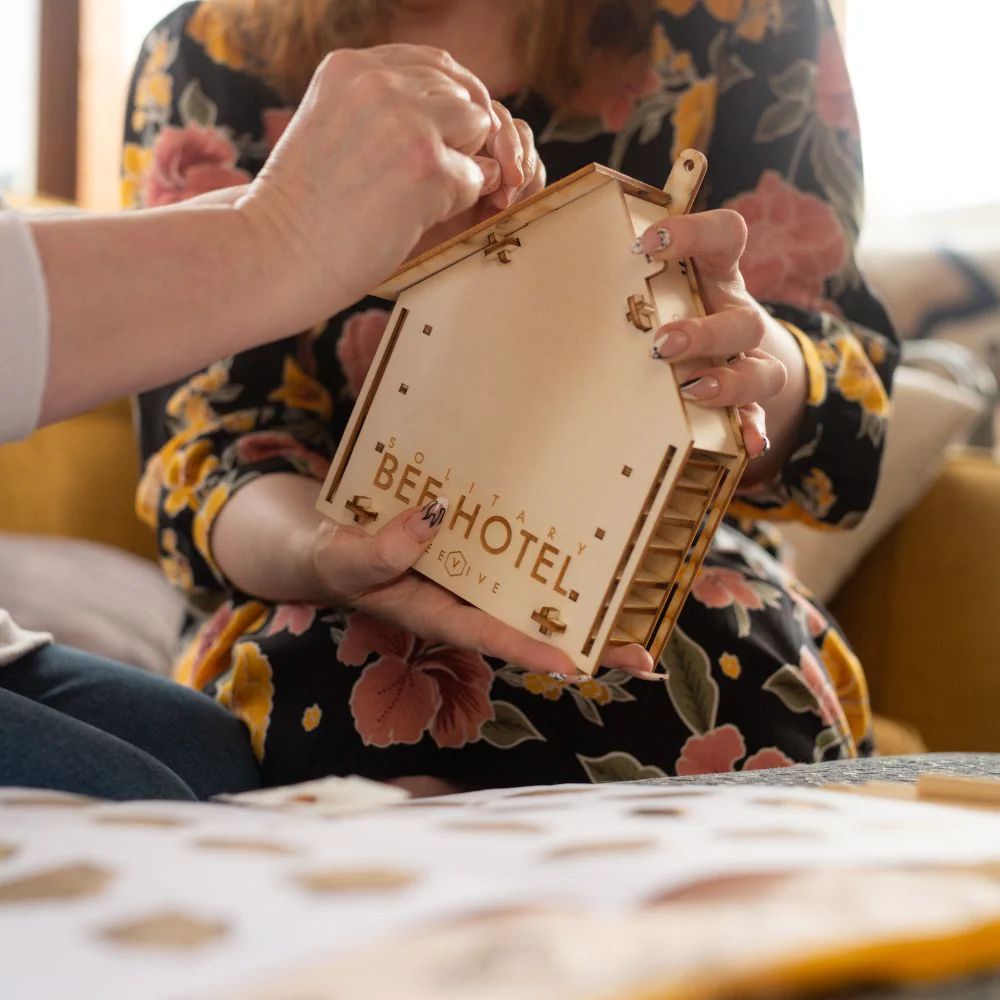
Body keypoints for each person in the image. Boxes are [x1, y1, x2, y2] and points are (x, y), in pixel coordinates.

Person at [125, 0, 898, 792]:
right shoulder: (213, 48)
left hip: (667, 580)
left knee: (731, 672)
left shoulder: (753, 19)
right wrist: (328, 556)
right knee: (326, 690)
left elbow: (844, 414)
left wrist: (746, 362)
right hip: (304, 580)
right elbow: (211, 453)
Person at [0, 42, 569, 801]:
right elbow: (213, 443)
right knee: (149, 803)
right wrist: (278, 233)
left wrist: (295, 228)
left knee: (205, 763)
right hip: (296, 567)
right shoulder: (207, 49)